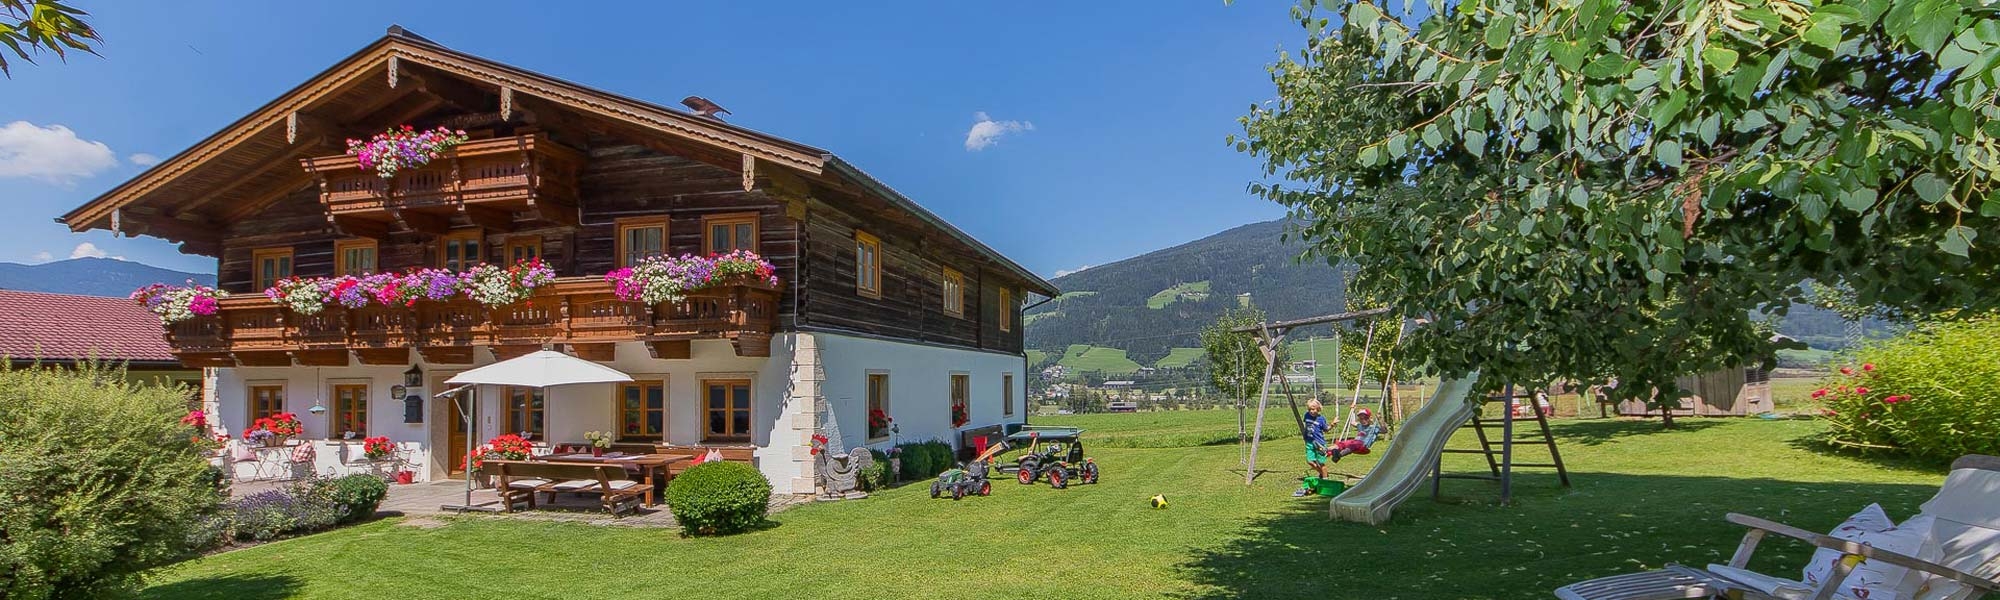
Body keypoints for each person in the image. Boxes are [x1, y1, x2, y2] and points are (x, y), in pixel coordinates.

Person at [1293, 399, 1333, 497]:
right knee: (1310, 461)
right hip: (1309, 442)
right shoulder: (1306, 415)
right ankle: (1324, 475)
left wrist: (1332, 425)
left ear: (1318, 409)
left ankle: (1325, 480)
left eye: (1314, 409)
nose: (1311, 411)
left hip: (1319, 443)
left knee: (1321, 463)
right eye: (1310, 409)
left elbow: (1326, 429)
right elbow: (1307, 426)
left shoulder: (1321, 419)